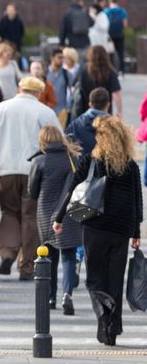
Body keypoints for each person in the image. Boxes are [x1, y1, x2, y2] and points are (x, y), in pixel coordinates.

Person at [53, 116, 142, 347]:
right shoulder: (130, 166)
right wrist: (136, 231)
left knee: (94, 279)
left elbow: (73, 190)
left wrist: (59, 218)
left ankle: (103, 314)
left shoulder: (92, 162)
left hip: (96, 227)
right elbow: (137, 199)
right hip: (121, 229)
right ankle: (112, 329)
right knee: (115, 278)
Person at [0, 77, 61, 279]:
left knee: (9, 212)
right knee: (30, 217)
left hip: (6, 171)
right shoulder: (45, 112)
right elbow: (60, 141)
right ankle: (26, 266)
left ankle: (7, 252)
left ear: (19, 89)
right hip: (34, 172)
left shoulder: (2, 108)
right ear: (39, 92)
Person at [28, 126, 82, 315]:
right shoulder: (72, 159)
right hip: (69, 211)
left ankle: (50, 297)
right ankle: (67, 294)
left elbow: (32, 192)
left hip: (45, 211)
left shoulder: (39, 161)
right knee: (68, 256)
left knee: (49, 256)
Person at [72, 45, 122, 120]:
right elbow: (116, 94)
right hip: (105, 113)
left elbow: (73, 89)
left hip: (85, 112)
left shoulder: (83, 70)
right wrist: (119, 111)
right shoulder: (110, 72)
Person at [66, 87, 110, 156]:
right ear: (108, 105)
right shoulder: (116, 126)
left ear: (90, 104)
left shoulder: (75, 125)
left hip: (81, 165)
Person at [46, 48, 73, 125]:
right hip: (47, 110)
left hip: (62, 111)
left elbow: (72, 91)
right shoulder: (45, 73)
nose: (62, 60)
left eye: (62, 58)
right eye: (59, 57)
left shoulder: (66, 74)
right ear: (52, 58)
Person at [105, 0, 128, 75]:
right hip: (119, 35)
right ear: (117, 2)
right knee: (120, 53)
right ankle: (122, 71)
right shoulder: (122, 11)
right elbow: (125, 24)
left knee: (110, 54)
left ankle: (111, 70)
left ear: (110, 2)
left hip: (109, 36)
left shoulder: (106, 11)